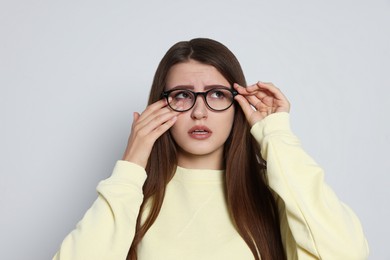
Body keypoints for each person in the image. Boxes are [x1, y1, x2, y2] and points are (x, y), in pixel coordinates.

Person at [53, 38, 369, 260]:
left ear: (239, 105)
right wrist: (131, 164)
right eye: (182, 95)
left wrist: (275, 135)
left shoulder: (273, 192)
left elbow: (345, 252)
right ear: (159, 106)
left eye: (217, 95)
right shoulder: (134, 196)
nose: (199, 112)